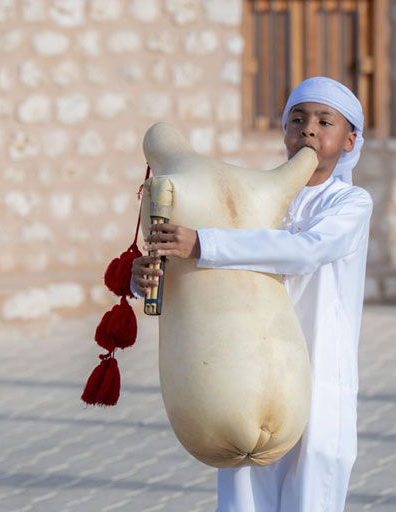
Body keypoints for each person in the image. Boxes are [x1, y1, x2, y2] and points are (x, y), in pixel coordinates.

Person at [132, 76, 373, 511]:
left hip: (321, 370)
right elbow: (201, 275)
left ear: (350, 140)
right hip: (245, 368)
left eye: (324, 122)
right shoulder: (252, 196)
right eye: (297, 119)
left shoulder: (350, 203)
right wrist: (145, 276)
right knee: (243, 497)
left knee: (310, 495)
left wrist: (205, 242)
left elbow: (307, 251)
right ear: (284, 131)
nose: (309, 130)